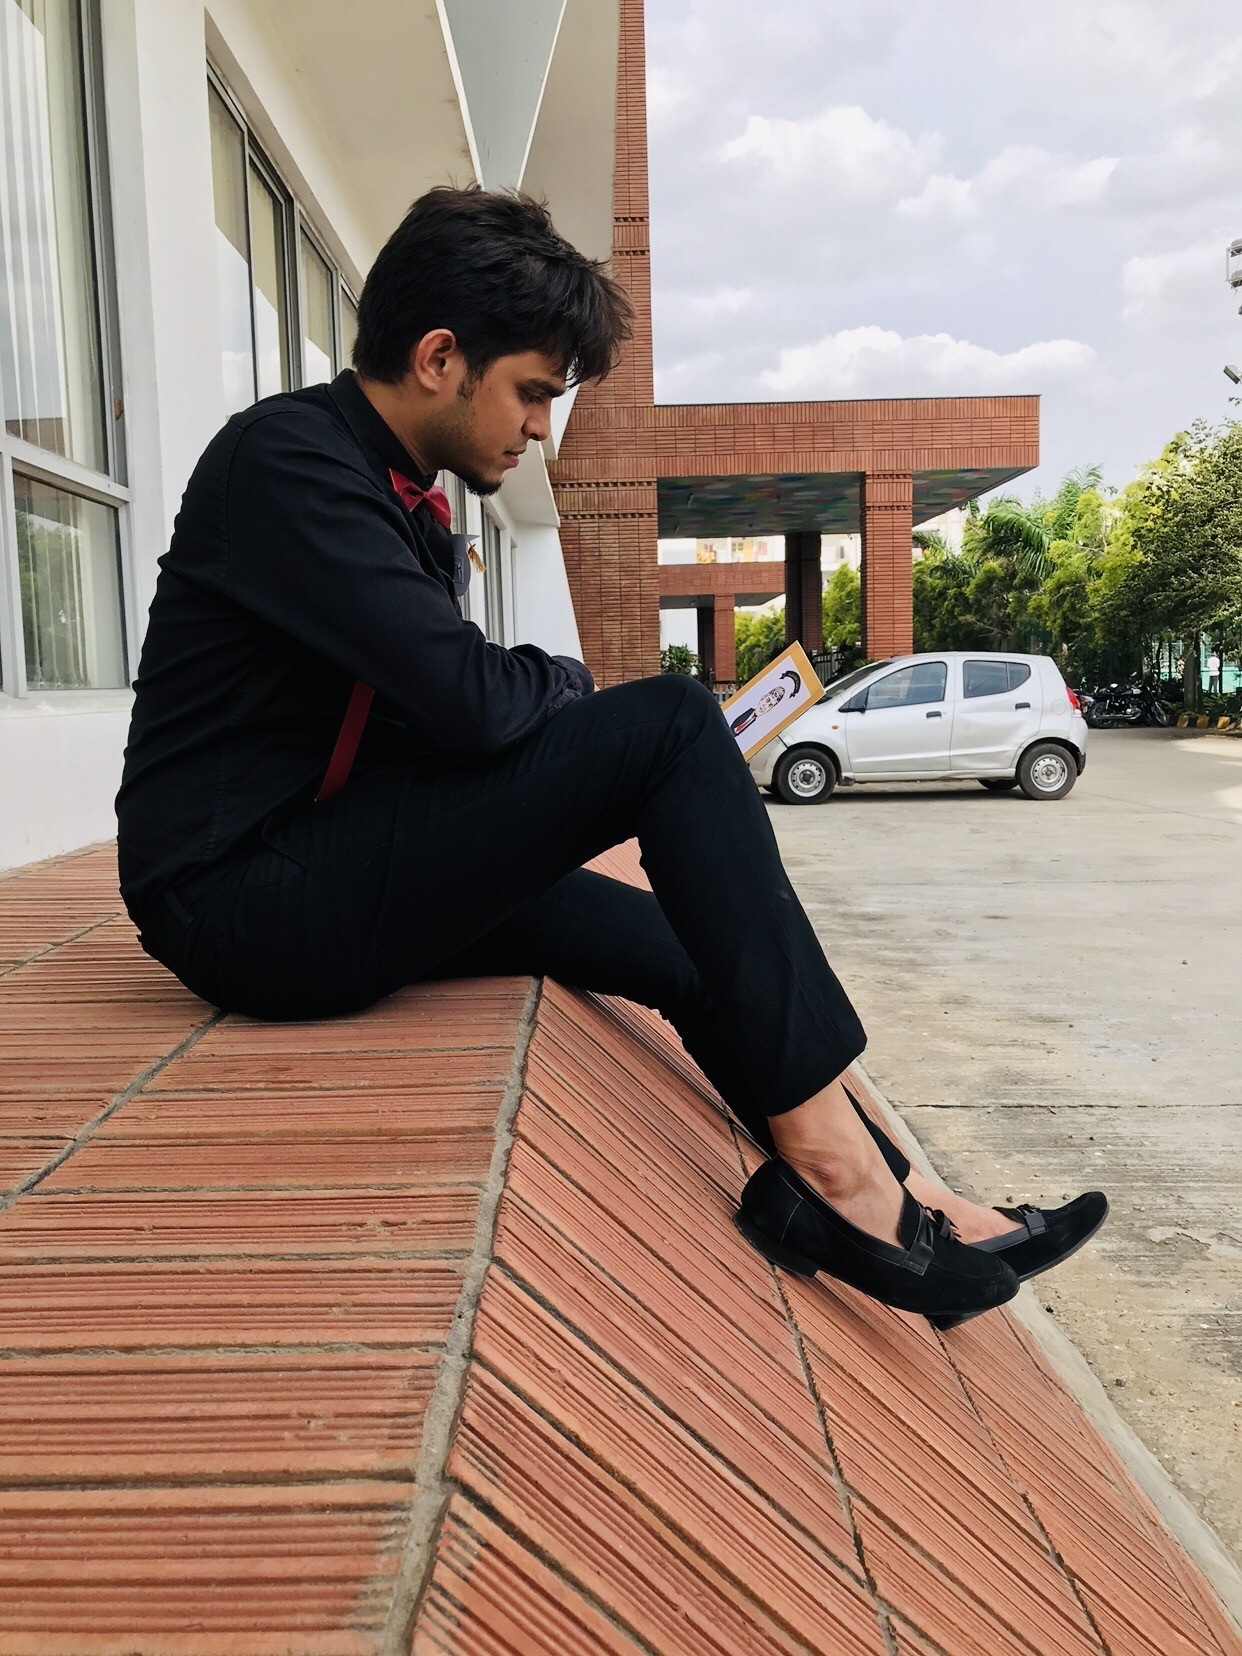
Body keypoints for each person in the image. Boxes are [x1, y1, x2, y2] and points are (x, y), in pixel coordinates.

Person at [116, 186, 1105, 1325]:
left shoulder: (395, 495)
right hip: (239, 903)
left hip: (334, 855)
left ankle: (906, 1185)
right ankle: (839, 1184)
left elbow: (444, 717)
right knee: (674, 721)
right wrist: (568, 682)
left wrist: (529, 701)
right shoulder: (288, 464)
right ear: (440, 358)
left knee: (688, 945)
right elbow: (472, 705)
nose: (541, 428)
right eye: (534, 392)